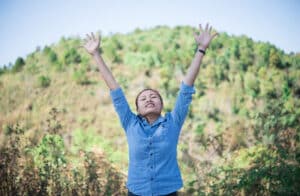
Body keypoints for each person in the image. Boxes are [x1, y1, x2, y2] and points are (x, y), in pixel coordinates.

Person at [83, 23, 217, 196]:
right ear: (137, 108)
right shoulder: (130, 122)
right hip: (137, 191)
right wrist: (95, 54)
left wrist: (201, 49)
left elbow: (186, 88)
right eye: (143, 99)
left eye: (154, 97)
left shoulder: (173, 121)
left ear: (161, 105)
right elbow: (114, 88)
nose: (149, 100)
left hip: (168, 191)